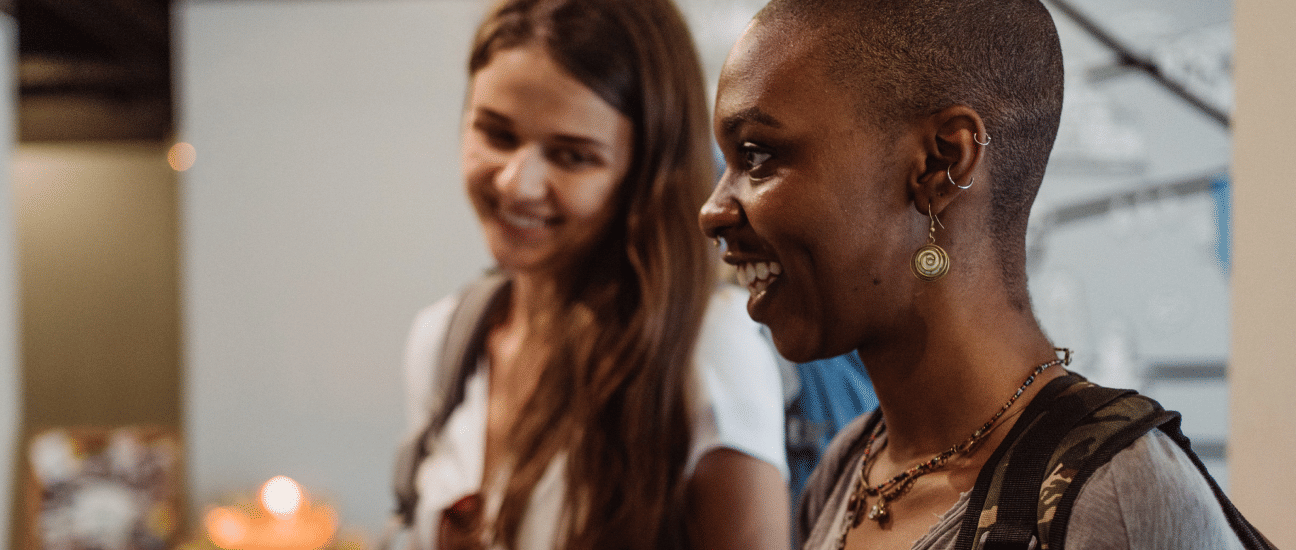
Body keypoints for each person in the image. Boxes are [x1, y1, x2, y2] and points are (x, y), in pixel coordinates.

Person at [700, 0, 1269, 549]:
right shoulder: (853, 467)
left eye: (756, 155)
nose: (713, 211)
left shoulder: (1114, 497)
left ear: (941, 163)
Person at [389, 0, 791, 549]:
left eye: (572, 156)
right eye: (497, 134)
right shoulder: (444, 341)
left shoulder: (709, 350)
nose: (516, 184)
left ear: (644, 174)